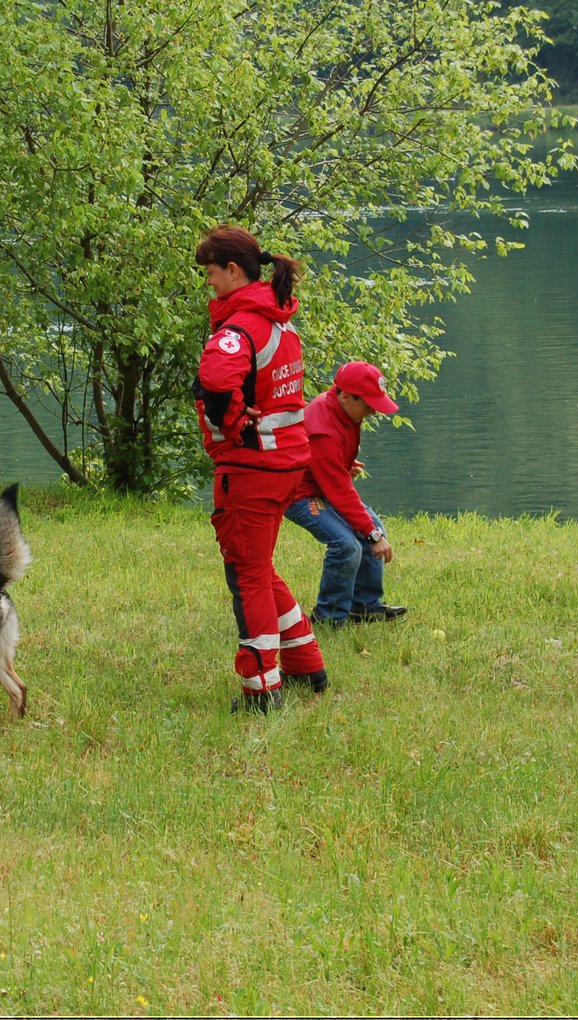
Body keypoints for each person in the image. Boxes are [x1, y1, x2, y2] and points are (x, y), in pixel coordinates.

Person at [193, 224, 327, 712]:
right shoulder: (278, 320)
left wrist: (229, 424)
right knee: (259, 566)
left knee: (245, 576)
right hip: (287, 462)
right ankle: (306, 664)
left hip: (251, 467)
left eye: (210, 273)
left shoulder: (238, 328)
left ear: (232, 270)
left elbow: (215, 381)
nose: (207, 282)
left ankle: (260, 691)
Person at [285, 361, 408, 626]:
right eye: (368, 405)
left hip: (321, 484)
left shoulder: (344, 409)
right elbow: (339, 491)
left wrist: (342, 463)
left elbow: (327, 463)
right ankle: (328, 617)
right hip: (300, 495)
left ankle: (364, 607)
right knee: (346, 545)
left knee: (372, 526)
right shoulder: (323, 427)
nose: (373, 411)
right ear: (344, 395)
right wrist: (372, 535)